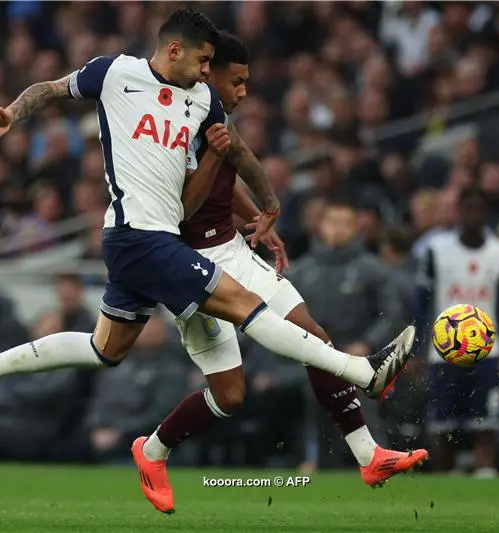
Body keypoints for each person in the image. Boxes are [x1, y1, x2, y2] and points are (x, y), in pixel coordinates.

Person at [0, 8, 415, 508]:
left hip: (158, 243)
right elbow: (51, 88)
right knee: (242, 303)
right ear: (174, 50)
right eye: (204, 61)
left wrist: (265, 209)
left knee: (109, 351)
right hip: (139, 237)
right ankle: (365, 373)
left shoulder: (203, 100)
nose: (209, 72)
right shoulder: (114, 73)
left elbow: (235, 154)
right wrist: (13, 113)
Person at [131, 31, 427, 513]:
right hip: (188, 265)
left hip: (233, 250)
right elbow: (179, 213)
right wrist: (214, 156)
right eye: (238, 81)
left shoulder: (214, 113)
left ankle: (370, 456)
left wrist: (259, 215)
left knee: (314, 337)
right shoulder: (174, 122)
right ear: (209, 71)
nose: (244, 91)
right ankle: (153, 451)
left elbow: (233, 169)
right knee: (230, 396)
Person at [414, 186, 499, 478]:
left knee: (486, 425)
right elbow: (421, 305)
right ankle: (446, 482)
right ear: (458, 212)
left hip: (487, 352)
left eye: (478, 208)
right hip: (444, 352)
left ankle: (485, 475)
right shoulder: (436, 251)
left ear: (486, 213)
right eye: (467, 208)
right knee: (444, 428)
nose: (473, 215)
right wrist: (416, 350)